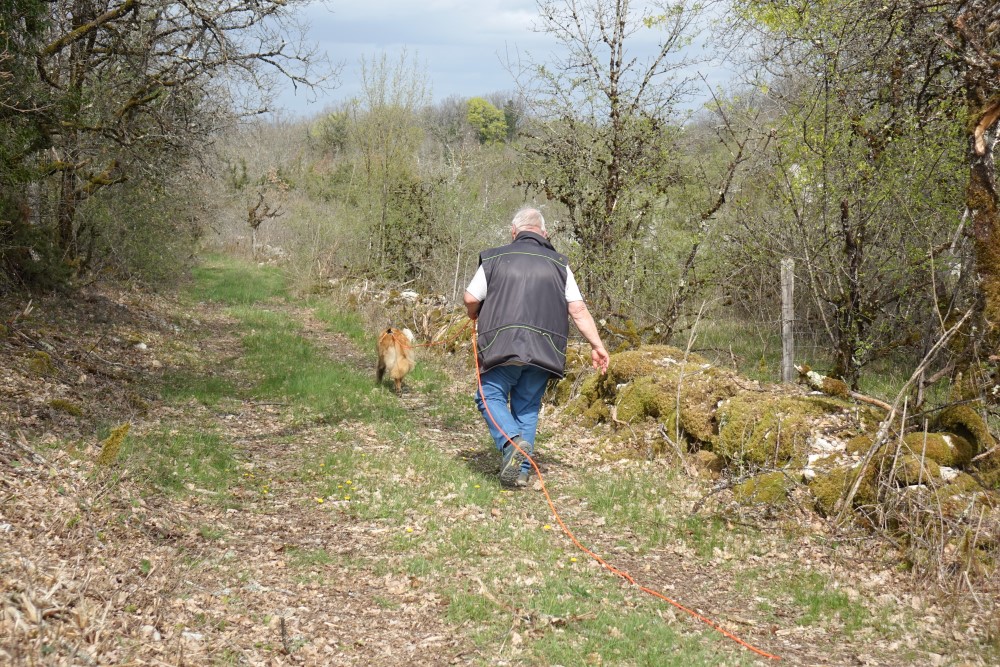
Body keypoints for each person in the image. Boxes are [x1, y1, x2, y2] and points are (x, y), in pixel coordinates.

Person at [464, 207, 610, 487]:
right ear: (544, 233)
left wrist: (474, 314)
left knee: (488, 395)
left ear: (513, 231)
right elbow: (578, 310)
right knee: (527, 407)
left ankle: (512, 445)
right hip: (545, 348)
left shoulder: (494, 258)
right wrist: (597, 345)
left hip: (502, 344)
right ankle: (521, 472)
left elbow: (471, 298)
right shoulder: (560, 265)